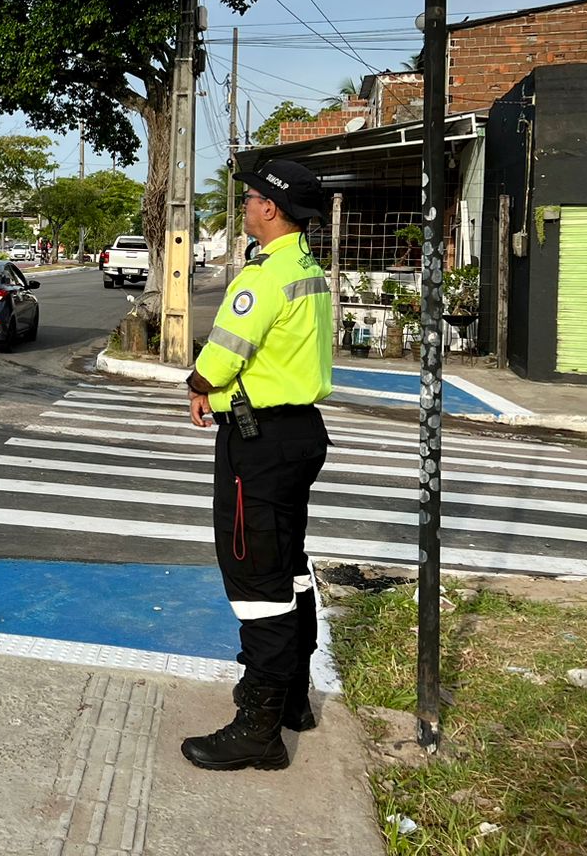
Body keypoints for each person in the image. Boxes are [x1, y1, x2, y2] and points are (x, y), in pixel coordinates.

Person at [179, 158, 332, 772]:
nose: (244, 205)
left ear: (271, 208)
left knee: (257, 579)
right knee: (289, 565)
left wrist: (199, 384)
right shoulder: (310, 270)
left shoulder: (263, 276)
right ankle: (291, 698)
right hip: (299, 435)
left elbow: (225, 353)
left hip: (260, 442)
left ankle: (259, 730)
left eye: (249, 198)